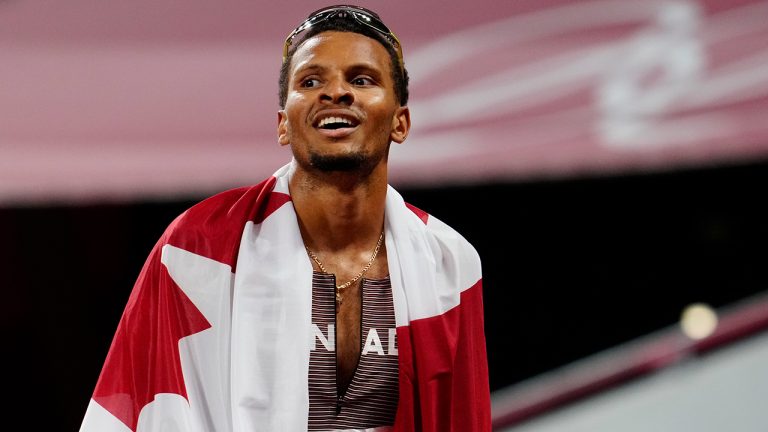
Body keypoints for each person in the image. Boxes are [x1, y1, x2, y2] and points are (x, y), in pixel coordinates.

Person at [80, 5, 491, 431]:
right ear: (282, 125)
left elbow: (462, 416)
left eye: (361, 79)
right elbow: (139, 408)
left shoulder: (449, 263)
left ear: (400, 122)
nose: (335, 93)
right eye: (311, 81)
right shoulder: (198, 249)